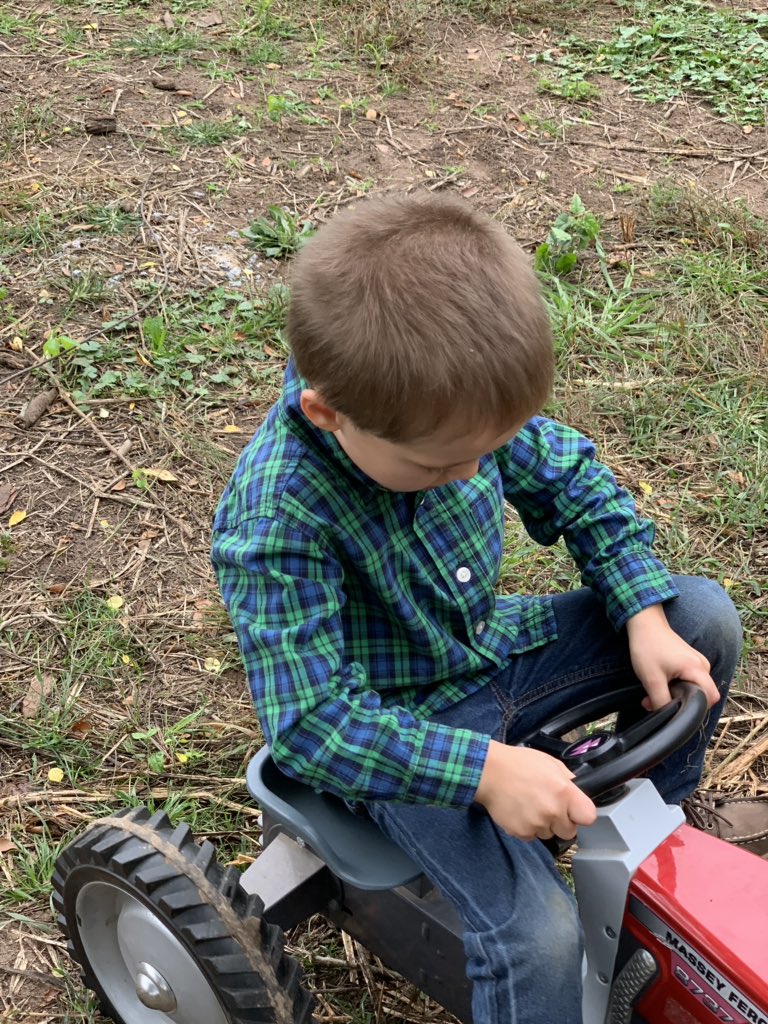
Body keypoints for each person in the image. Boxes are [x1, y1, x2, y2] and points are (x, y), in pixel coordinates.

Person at [211, 193, 761, 1024]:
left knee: (699, 618)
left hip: (493, 654)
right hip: (403, 730)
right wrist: (483, 771)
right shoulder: (277, 518)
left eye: (488, 453)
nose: (472, 477)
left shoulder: (451, 416)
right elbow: (313, 723)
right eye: (441, 466)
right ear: (330, 415)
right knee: (540, 938)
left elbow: (579, 487)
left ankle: (658, 837)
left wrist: (643, 614)